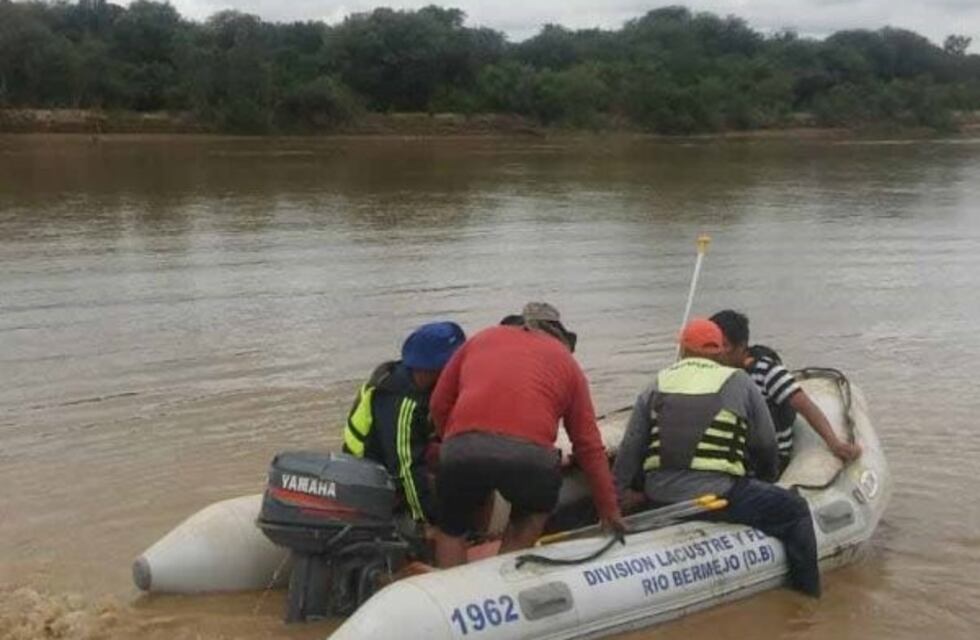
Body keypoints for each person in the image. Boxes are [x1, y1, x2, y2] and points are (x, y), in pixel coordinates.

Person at [612, 318, 821, 596]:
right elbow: (766, 444)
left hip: (659, 495)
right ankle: (807, 598)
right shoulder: (740, 381)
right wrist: (767, 480)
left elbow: (630, 448)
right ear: (720, 352)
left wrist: (618, 494)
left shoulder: (656, 383)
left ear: (682, 350)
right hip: (717, 496)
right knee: (795, 510)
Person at [429, 302, 626, 567]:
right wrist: (609, 511)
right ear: (560, 336)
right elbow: (588, 445)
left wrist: (454, 443)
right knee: (529, 519)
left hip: (461, 445)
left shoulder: (481, 338)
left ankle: (452, 593)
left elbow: (439, 404)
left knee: (451, 529)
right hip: (530, 457)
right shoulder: (568, 364)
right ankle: (502, 580)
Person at [342, 321, 466, 525]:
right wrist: (425, 520)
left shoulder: (423, 386)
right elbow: (405, 468)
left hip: (400, 455)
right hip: (372, 469)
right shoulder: (401, 401)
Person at [709, 310, 861, 471]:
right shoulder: (710, 373)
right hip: (732, 455)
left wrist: (835, 444)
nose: (718, 352)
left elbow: (804, 405)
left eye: (724, 345)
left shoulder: (766, 371)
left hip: (768, 459)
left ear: (741, 346)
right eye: (713, 344)